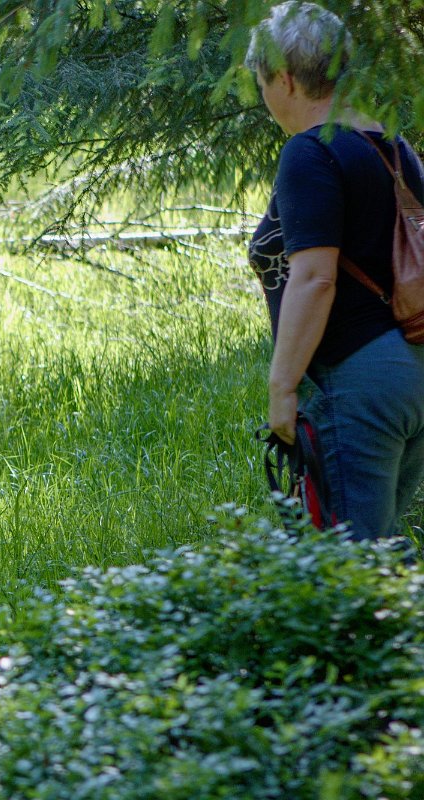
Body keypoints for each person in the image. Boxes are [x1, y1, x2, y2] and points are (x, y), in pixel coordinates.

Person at [245, 1, 424, 540]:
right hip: (414, 370)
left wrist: (282, 387)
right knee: (381, 552)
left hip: (359, 377)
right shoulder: (394, 148)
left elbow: (315, 278)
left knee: (348, 563)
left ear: (283, 77)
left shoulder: (309, 152)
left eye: (261, 80)